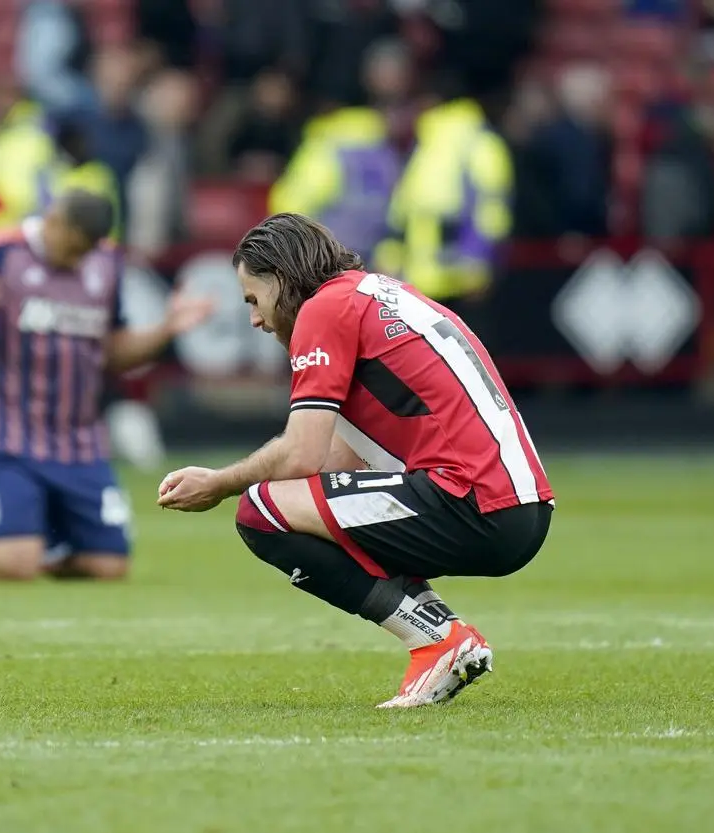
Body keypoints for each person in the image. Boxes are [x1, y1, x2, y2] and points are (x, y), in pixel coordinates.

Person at [158, 213, 553, 708]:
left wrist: (219, 482)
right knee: (304, 504)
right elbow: (333, 457)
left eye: (254, 301)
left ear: (282, 280)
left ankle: (437, 640)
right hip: (522, 507)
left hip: (473, 502)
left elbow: (301, 452)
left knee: (261, 510)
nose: (256, 320)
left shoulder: (325, 309)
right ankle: (443, 638)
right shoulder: (374, 293)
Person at [0, 190, 213, 581]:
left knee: (110, 568)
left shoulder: (106, 263)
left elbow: (113, 352)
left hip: (81, 441)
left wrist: (166, 329)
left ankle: (38, 540)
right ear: (54, 223)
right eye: (73, 248)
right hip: (11, 437)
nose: (78, 260)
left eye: (87, 251)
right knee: (10, 568)